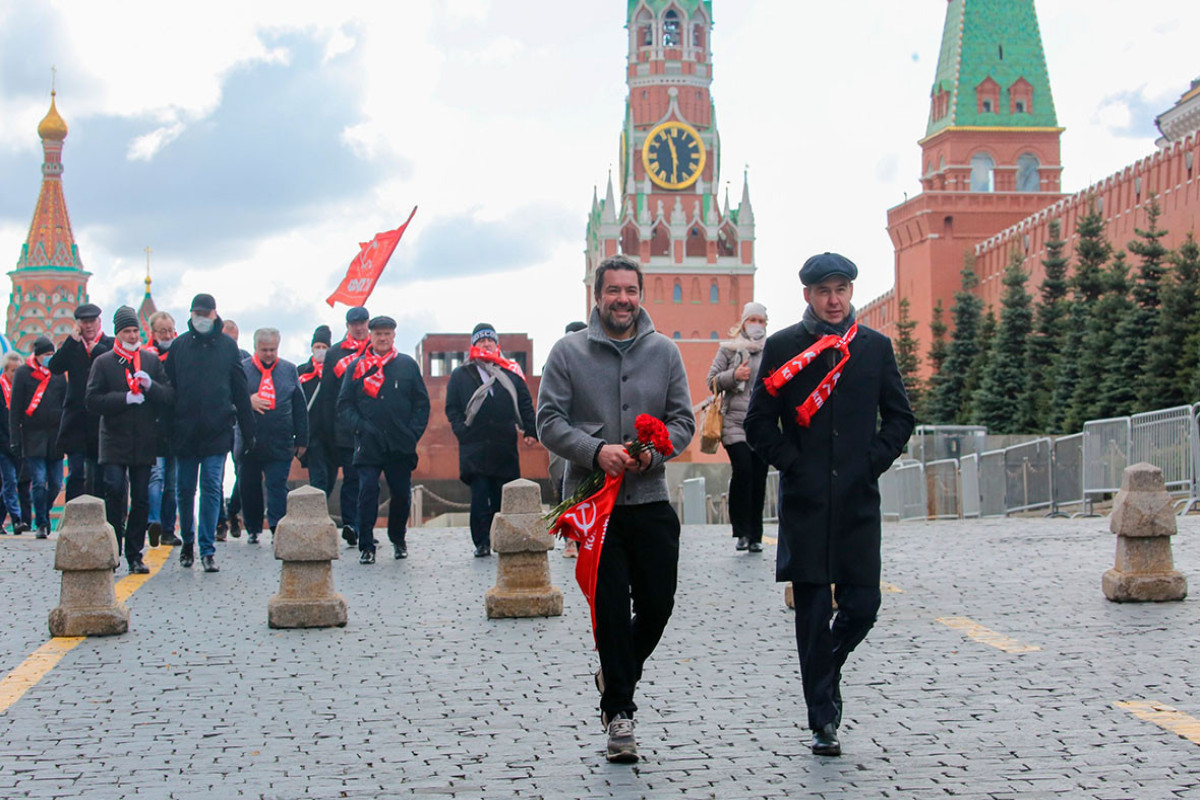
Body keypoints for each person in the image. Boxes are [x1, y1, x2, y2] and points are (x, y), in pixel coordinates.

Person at [744, 252, 915, 758]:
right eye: (824, 291)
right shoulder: (783, 347)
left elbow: (900, 418)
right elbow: (758, 423)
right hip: (807, 502)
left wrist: (872, 463)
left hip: (859, 499)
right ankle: (823, 719)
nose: (834, 299)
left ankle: (825, 670)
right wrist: (793, 464)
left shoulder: (874, 348)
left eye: (841, 289)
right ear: (807, 296)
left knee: (864, 606)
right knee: (813, 612)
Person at [536, 254, 695, 764]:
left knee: (658, 605)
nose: (622, 299)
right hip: (593, 507)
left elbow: (683, 422)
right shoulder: (568, 353)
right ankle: (620, 712)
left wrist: (657, 450)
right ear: (597, 295)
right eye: (613, 291)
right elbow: (548, 422)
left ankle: (615, 671)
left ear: (640, 294)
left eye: (630, 290)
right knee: (607, 612)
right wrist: (594, 450)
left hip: (649, 501)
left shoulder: (665, 353)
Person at [165, 294, 256, 573]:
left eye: (206, 314)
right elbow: (169, 390)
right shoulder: (179, 346)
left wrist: (248, 428)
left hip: (217, 430)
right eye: (197, 314)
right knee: (184, 489)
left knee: (212, 488)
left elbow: (240, 391)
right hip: (185, 430)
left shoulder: (228, 347)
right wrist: (166, 428)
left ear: (215, 314)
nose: (201, 319)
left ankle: (207, 548)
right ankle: (188, 542)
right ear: (191, 315)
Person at [85, 306, 174, 573]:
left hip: (144, 440)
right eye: (127, 331)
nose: (133, 336)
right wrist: (123, 399)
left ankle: (135, 553)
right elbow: (91, 400)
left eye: (136, 331)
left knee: (142, 498)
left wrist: (151, 387)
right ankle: (114, 549)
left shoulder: (150, 362)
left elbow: (168, 396)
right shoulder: (104, 362)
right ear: (118, 334)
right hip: (114, 438)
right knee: (114, 491)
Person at [337, 315, 429, 564]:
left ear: (394, 336)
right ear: (371, 335)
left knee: (400, 494)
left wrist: (412, 434)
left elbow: (421, 403)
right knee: (367, 491)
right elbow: (344, 405)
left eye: (387, 333)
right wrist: (360, 427)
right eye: (378, 333)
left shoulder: (407, 365)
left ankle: (398, 538)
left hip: (399, 444)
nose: (383, 338)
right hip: (368, 444)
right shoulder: (357, 367)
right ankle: (366, 545)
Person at [445, 323, 537, 558]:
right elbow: (452, 407)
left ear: (497, 345)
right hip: (474, 445)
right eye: (481, 341)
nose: (486, 345)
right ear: (473, 345)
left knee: (501, 496)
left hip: (503, 444)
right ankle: (481, 542)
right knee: (479, 495)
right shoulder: (461, 374)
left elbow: (525, 403)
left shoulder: (511, 371)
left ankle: (501, 538)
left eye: (490, 341)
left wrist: (530, 430)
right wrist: (461, 430)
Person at [706, 302, 770, 553]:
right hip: (733, 421)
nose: (756, 324)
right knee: (743, 471)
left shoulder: (773, 349)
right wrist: (734, 376)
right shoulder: (729, 349)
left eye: (761, 320)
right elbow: (710, 380)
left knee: (759, 477)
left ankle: (756, 535)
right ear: (743, 322)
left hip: (761, 422)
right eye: (752, 319)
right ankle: (741, 531)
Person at [238, 328, 307, 544]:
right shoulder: (242, 369)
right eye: (264, 350)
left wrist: (302, 439)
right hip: (250, 440)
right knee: (249, 486)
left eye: (272, 350)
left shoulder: (288, 369)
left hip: (280, 439)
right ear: (255, 348)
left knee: (277, 485)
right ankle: (253, 527)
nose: (269, 354)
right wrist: (247, 401)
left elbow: (299, 406)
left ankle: (277, 525)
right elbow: (228, 400)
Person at [316, 306, 372, 546]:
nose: (359, 327)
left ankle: (365, 525)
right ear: (348, 326)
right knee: (351, 477)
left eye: (362, 323)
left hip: (372, 426)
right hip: (346, 427)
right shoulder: (336, 353)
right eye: (354, 324)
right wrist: (329, 428)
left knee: (367, 480)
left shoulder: (377, 350)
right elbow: (328, 394)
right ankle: (352, 524)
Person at [48, 303, 113, 500]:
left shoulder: (109, 345)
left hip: (101, 421)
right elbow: (55, 367)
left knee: (100, 475)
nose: (89, 326)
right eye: (84, 322)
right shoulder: (72, 347)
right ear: (78, 324)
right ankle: (72, 518)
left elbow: (120, 364)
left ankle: (102, 519)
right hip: (76, 421)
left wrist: (97, 350)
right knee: (76, 473)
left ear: (99, 322)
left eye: (92, 321)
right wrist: (71, 341)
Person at [10, 336, 67, 539]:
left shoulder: (58, 374)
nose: (49, 358)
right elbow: (15, 408)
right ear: (37, 355)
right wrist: (15, 438)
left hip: (55, 437)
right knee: (38, 480)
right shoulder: (24, 374)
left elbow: (65, 403)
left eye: (52, 355)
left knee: (55, 483)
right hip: (33, 436)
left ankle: (43, 511)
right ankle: (42, 523)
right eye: (46, 355)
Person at [549, 320, 587, 559]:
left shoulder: (596, 367)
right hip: (563, 437)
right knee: (565, 486)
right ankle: (569, 539)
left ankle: (579, 538)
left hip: (588, 436)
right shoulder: (553, 366)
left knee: (584, 488)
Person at [145, 311, 181, 546]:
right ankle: (153, 521)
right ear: (153, 333)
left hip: (176, 426)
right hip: (152, 426)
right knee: (155, 476)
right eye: (162, 331)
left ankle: (168, 527)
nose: (167, 335)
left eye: (170, 331)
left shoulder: (180, 355)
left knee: (172, 482)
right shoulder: (146, 357)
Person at [217, 318, 251, 541]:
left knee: (242, 472)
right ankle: (220, 522)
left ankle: (233, 511)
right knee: (215, 476)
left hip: (238, 421)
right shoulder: (211, 358)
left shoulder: (244, 357)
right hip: (218, 421)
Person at [297, 325, 332, 491]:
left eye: (324, 347)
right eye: (318, 347)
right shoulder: (301, 372)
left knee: (330, 477)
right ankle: (319, 512)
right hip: (312, 434)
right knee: (319, 478)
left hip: (331, 434)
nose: (320, 350)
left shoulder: (334, 372)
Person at [0, 352, 30, 535]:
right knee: (10, 481)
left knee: (13, 484)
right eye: (14, 371)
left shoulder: (25, 389)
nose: (17, 375)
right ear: (5, 371)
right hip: (3, 445)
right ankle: (17, 520)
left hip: (21, 446)